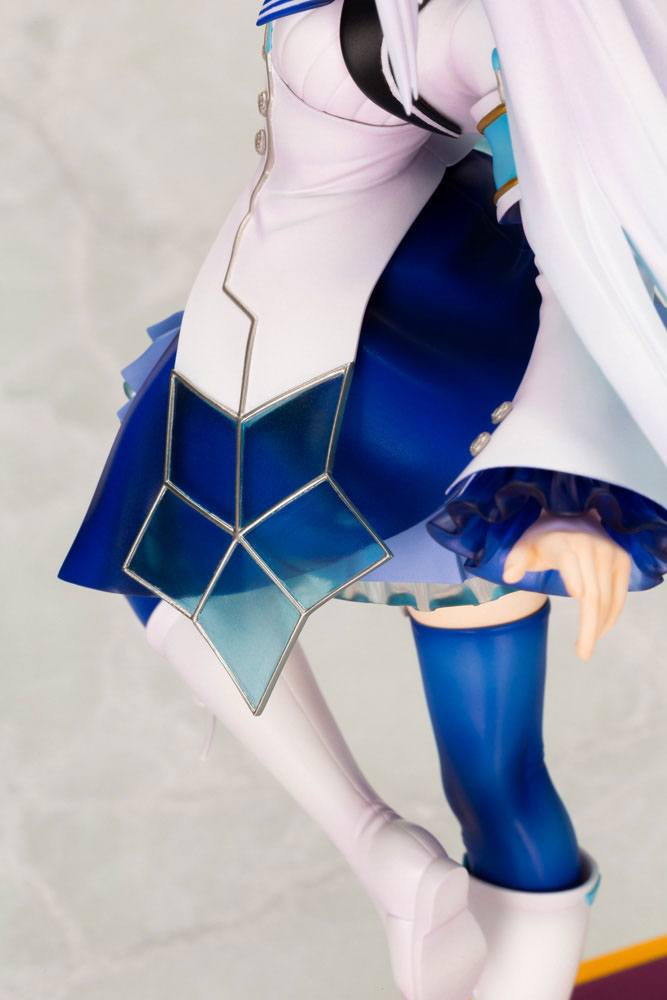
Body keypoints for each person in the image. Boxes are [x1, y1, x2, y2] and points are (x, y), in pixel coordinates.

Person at [59, 1, 667, 997]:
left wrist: (562, 482)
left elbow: (567, 224)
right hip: (386, 352)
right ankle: (398, 868)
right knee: (493, 774)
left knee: (489, 771)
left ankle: (394, 861)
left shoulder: (441, 32)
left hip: (363, 385)